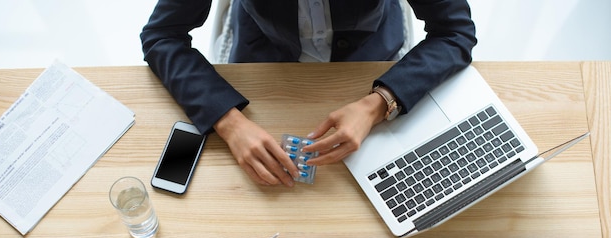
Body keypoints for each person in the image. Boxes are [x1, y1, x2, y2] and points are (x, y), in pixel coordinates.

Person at [141, 0, 477, 187]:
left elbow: (454, 32)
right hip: (263, 60)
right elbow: (162, 35)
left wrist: (379, 103)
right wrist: (228, 122)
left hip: (369, 57)